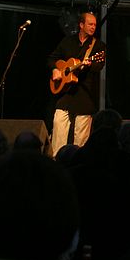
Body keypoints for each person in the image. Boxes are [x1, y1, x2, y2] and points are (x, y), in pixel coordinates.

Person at [48, 12, 106, 157]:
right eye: (90, 24)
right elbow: (52, 57)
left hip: (85, 94)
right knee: (58, 127)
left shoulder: (98, 46)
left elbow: (99, 66)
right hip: (66, 94)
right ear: (81, 25)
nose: (93, 27)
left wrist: (87, 65)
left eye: (95, 25)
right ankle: (57, 160)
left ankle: (78, 164)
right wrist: (55, 69)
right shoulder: (68, 41)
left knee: (81, 138)